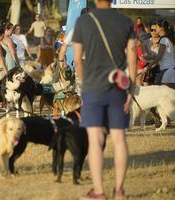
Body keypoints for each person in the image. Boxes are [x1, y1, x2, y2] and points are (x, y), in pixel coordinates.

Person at [73, 0, 136, 198]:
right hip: (117, 88)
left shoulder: (83, 21)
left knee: (95, 140)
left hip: (92, 88)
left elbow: (77, 60)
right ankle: (119, 191)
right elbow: (132, 56)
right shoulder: (125, 21)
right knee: (119, 139)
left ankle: (99, 191)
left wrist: (85, 84)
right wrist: (131, 90)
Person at [144, 19, 175, 89]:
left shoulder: (164, 40)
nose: (155, 29)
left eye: (157, 27)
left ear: (161, 28)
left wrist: (148, 67)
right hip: (170, 70)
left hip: (168, 71)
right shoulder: (168, 38)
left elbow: (159, 57)